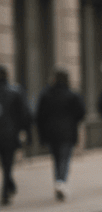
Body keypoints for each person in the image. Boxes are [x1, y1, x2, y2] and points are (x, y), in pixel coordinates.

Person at [35, 69, 85, 201]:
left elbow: (39, 115)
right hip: (67, 131)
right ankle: (61, 181)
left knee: (56, 159)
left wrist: (42, 132)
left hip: (51, 132)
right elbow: (81, 113)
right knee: (64, 158)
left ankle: (58, 181)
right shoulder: (72, 95)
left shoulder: (46, 94)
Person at [0, 66, 31, 206]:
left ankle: (8, 186)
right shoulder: (15, 91)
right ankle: (7, 188)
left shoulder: (15, 91)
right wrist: (25, 131)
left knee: (6, 163)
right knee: (7, 163)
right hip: (9, 133)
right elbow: (24, 114)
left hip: (8, 132)